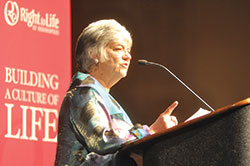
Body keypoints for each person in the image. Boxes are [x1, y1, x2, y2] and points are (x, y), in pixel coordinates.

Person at [55, 19, 178, 166]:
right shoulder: (84, 91)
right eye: (119, 48)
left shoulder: (101, 95)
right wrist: (150, 131)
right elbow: (101, 139)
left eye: (128, 50)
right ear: (94, 53)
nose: (128, 56)